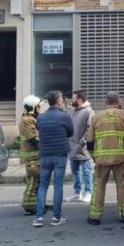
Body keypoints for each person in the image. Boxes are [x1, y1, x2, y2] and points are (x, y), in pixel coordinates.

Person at [86, 92, 124, 224]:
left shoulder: (96, 117)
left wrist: (94, 157)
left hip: (101, 159)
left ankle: (95, 216)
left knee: (99, 186)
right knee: (122, 185)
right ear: (118, 101)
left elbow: (90, 141)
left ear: (105, 102)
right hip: (121, 157)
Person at [33, 90, 74, 227]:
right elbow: (70, 132)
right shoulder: (65, 116)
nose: (63, 101)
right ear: (58, 100)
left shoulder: (41, 117)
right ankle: (56, 217)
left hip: (45, 154)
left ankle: (39, 217)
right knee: (58, 185)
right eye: (62, 98)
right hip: (60, 154)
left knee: (43, 185)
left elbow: (40, 130)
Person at [66, 90, 95, 204]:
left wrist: (81, 143)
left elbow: (90, 130)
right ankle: (77, 193)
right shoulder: (71, 111)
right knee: (75, 171)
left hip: (83, 148)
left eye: (73, 98)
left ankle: (88, 192)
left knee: (86, 170)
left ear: (79, 99)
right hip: (71, 147)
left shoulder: (89, 112)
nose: (72, 100)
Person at [18, 95, 42, 215]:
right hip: (31, 157)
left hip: (35, 157)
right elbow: (34, 138)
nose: (40, 108)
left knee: (38, 181)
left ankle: (37, 203)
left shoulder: (31, 118)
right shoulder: (27, 120)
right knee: (33, 181)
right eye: (38, 107)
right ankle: (29, 205)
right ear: (33, 107)